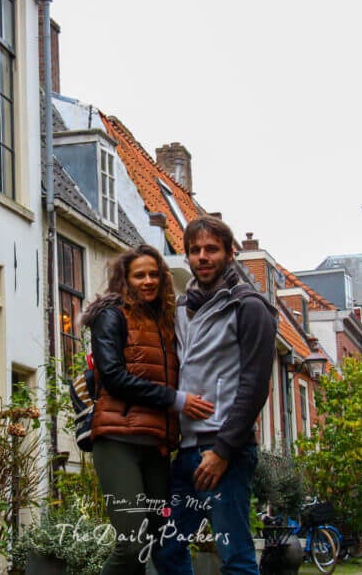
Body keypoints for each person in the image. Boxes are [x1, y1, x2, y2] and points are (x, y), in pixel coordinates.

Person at [80, 244, 215, 575]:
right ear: (125, 279)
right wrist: (176, 399)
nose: (148, 281)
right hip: (118, 439)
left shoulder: (166, 323)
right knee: (132, 543)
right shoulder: (112, 315)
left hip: (157, 445)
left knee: (155, 541)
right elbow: (113, 377)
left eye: (154, 274)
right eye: (139, 275)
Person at [155, 216, 277, 575]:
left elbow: (255, 385)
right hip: (187, 452)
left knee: (236, 557)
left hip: (226, 453)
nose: (202, 257)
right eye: (195, 251)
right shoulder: (180, 309)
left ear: (229, 253)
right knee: (165, 548)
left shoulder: (248, 306)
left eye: (211, 249)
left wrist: (224, 451)